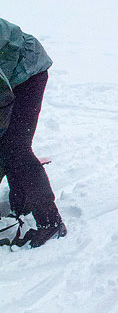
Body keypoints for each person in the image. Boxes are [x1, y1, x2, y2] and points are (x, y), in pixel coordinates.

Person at [0, 18, 66, 247]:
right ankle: (21, 207)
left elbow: (2, 95)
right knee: (8, 146)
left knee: (15, 146)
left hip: (28, 70)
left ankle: (50, 223)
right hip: (7, 70)